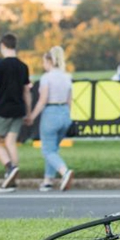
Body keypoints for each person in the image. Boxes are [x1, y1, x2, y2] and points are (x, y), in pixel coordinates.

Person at [0, 34, 32, 193]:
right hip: (18, 109)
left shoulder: (0, 66)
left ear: (2, 45)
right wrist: (28, 113)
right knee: (10, 142)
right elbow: (26, 92)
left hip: (2, 109)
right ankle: (12, 180)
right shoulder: (23, 66)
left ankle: (10, 167)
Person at [27, 47, 74, 192]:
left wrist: (32, 116)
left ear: (49, 61)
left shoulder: (46, 78)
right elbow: (70, 101)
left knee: (47, 150)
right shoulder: (67, 77)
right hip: (64, 113)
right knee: (53, 149)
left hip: (51, 113)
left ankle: (65, 172)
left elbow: (43, 100)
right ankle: (48, 180)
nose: (43, 65)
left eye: (44, 62)